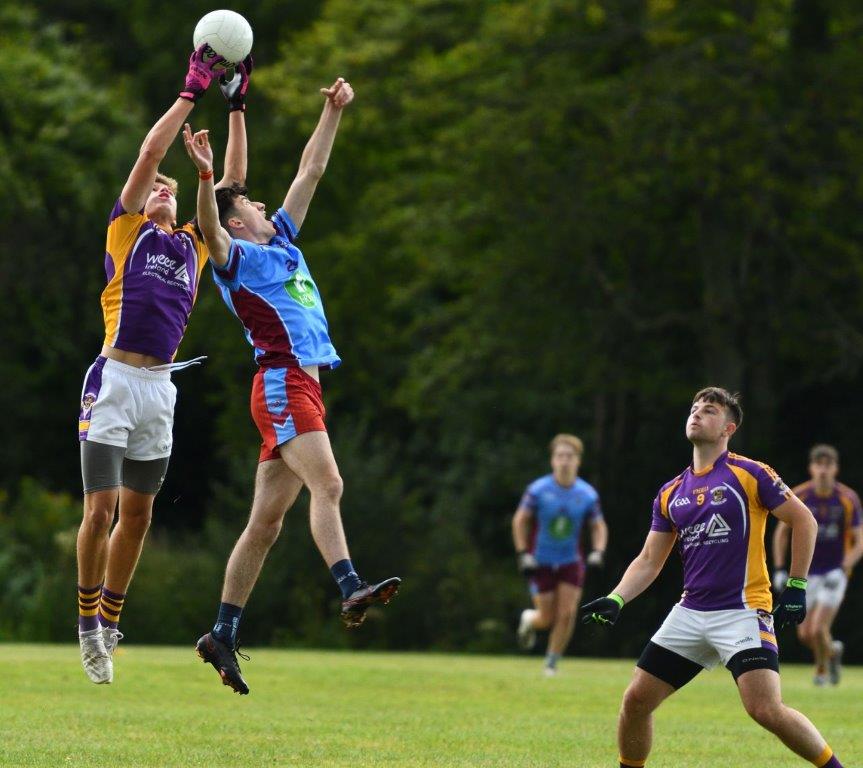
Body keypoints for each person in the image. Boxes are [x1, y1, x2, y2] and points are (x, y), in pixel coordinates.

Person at [183, 77, 400, 695]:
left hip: (298, 384)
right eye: (247, 203)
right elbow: (211, 224)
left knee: (266, 523)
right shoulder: (236, 259)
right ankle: (349, 582)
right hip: (282, 383)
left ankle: (222, 630)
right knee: (328, 483)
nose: (259, 203)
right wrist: (206, 182)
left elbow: (312, 168)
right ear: (237, 221)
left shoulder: (279, 240)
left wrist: (330, 112)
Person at [75, 45, 252, 685]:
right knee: (99, 511)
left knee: (140, 514)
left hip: (158, 391)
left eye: (163, 188)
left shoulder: (195, 245)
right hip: (114, 381)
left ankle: (113, 619)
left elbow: (231, 187)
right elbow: (151, 154)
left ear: (174, 202)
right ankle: (87, 622)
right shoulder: (127, 232)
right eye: (149, 187)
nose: (154, 187)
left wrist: (236, 105)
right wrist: (191, 92)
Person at [582, 387, 845, 768]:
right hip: (690, 613)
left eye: (709, 410)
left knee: (765, 709)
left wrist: (798, 585)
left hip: (742, 611)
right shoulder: (671, 492)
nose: (697, 414)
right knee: (635, 701)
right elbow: (650, 559)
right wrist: (617, 598)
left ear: (728, 428)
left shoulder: (750, 473)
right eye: (694, 409)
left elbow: (803, 519)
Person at [512, 434, 608, 676]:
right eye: (560, 456)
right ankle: (529, 620)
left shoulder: (587, 494)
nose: (565, 461)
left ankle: (551, 663)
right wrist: (523, 553)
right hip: (540, 560)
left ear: (578, 461)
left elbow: (598, 526)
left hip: (570, 561)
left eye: (570, 456)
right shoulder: (538, 490)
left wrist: (598, 551)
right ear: (553, 460)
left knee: (566, 613)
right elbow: (520, 520)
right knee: (546, 618)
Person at [773, 444, 863, 686]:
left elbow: (859, 541)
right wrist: (781, 569)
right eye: (819, 464)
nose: (823, 470)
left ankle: (822, 671)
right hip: (806, 573)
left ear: (836, 468)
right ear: (811, 467)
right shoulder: (799, 496)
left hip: (834, 573)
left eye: (828, 465)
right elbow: (781, 533)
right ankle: (832, 651)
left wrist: (843, 568)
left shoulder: (847, 499)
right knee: (804, 634)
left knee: (817, 628)